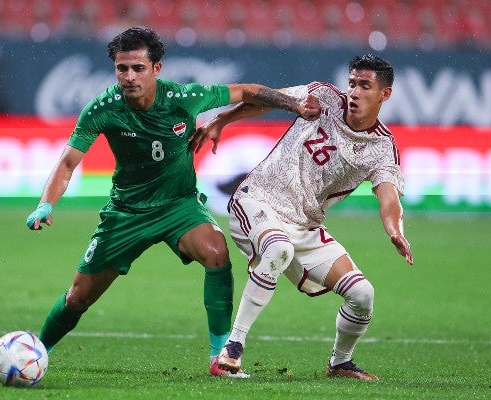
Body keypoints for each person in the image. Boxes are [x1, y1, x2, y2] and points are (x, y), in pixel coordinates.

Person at [25, 27, 309, 378]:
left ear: (156, 68)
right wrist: (46, 204)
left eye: (138, 68)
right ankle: (35, 352)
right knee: (78, 298)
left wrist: (293, 105)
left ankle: (220, 357)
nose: (129, 77)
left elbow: (248, 91)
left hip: (178, 206)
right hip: (126, 212)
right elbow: (68, 163)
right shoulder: (102, 108)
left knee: (216, 253)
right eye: (122, 68)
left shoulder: (185, 97)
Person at [189, 54, 414, 380]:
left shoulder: (382, 147)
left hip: (305, 225)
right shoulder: (322, 97)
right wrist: (222, 119)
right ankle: (231, 350)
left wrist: (395, 229)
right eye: (352, 83)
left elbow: (389, 195)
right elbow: (264, 99)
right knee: (279, 249)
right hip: (258, 200)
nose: (354, 92)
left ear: (384, 94)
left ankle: (340, 363)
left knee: (363, 294)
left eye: (365, 86)